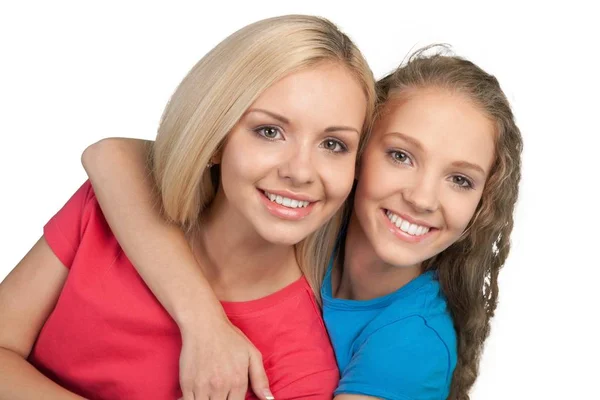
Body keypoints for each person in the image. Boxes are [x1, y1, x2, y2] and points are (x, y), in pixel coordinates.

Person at [81, 46, 522, 399]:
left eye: (460, 180)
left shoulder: (412, 345)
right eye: (401, 156)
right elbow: (111, 155)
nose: (423, 198)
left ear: (482, 206)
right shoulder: (307, 217)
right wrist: (204, 325)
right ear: (356, 151)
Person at [0, 15, 376, 400]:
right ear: (215, 139)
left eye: (333, 145)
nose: (300, 172)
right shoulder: (109, 210)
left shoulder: (305, 368)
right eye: (269, 132)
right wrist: (204, 324)